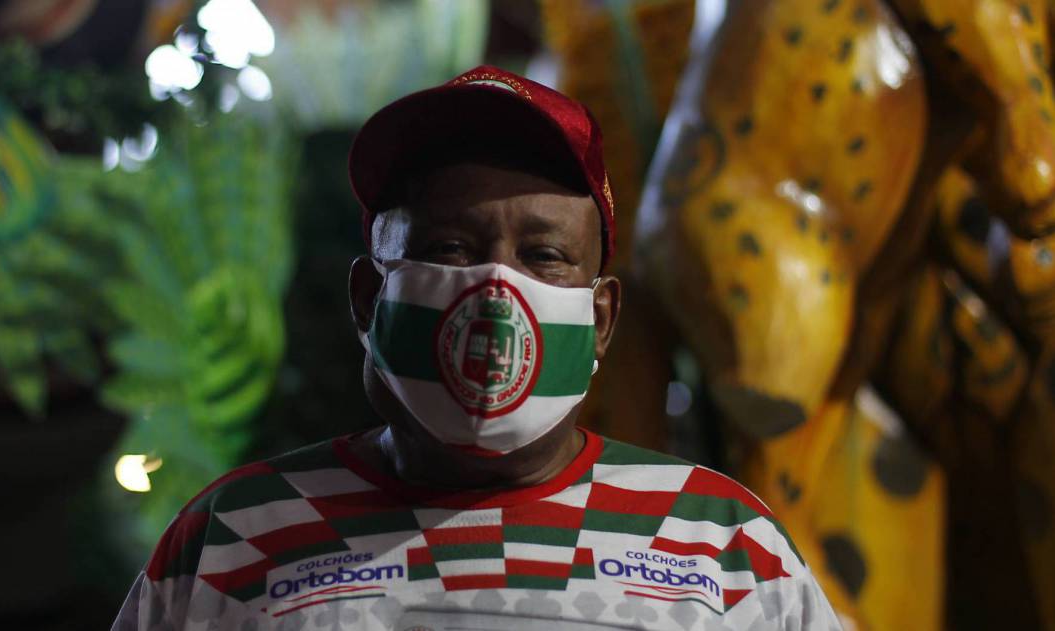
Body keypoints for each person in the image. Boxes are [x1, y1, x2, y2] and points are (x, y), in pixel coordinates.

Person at [112, 65, 842, 631]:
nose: (496, 287)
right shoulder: (232, 539)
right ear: (369, 298)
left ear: (601, 317)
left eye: (545, 253)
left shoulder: (727, 547)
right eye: (449, 246)